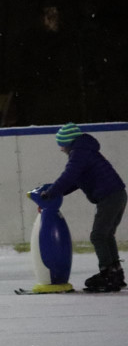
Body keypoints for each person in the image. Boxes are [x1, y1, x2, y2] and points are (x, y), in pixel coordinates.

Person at [41, 123, 126, 292]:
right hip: (117, 195)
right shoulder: (85, 150)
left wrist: (52, 192)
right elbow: (75, 181)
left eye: (61, 144)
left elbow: (69, 175)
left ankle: (108, 274)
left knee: (98, 236)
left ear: (68, 142)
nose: (61, 149)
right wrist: (58, 192)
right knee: (106, 235)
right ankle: (116, 273)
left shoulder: (79, 153)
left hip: (110, 197)